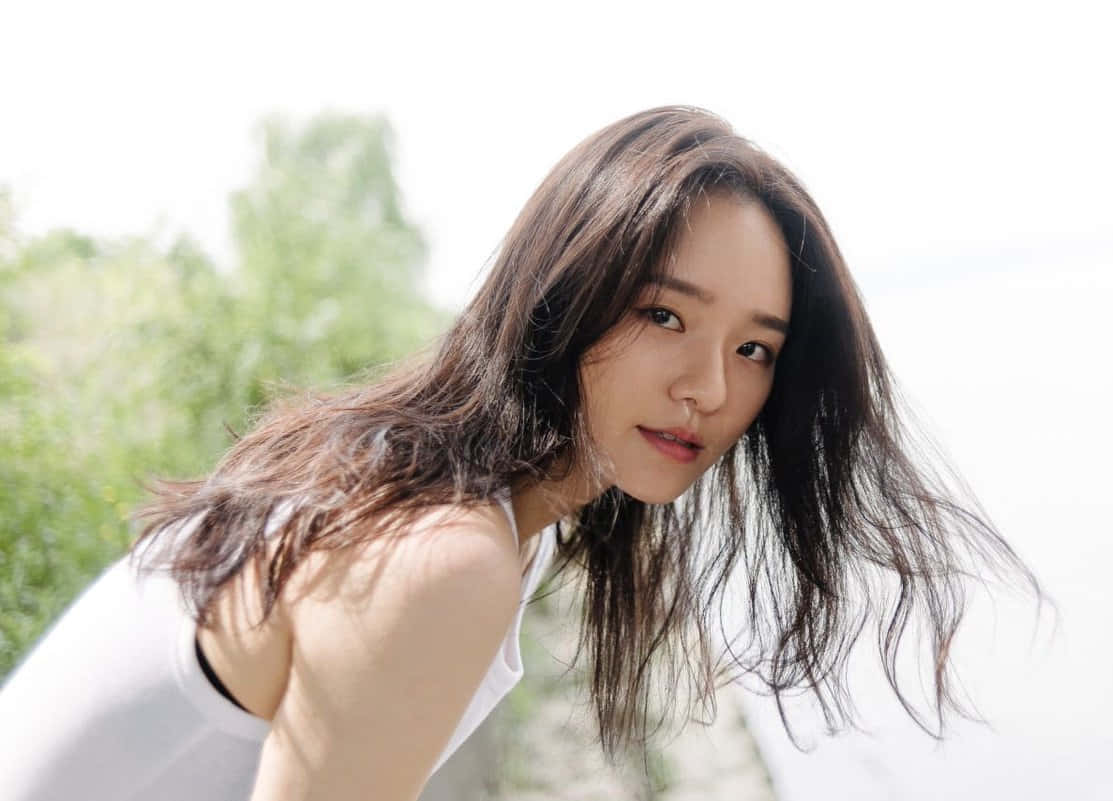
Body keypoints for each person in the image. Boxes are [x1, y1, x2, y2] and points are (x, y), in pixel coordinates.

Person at [0, 105, 1039, 800]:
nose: (712, 389)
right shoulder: (442, 554)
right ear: (566, 293)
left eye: (755, 347)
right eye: (664, 317)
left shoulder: (442, 494)